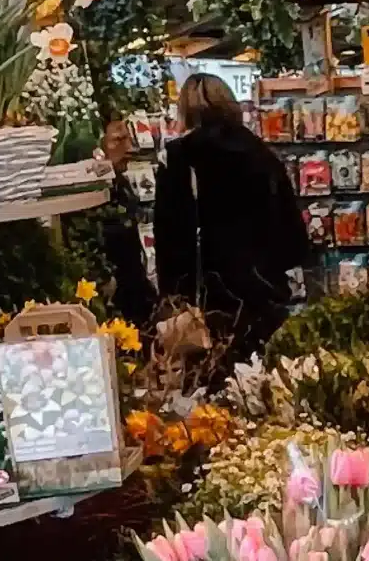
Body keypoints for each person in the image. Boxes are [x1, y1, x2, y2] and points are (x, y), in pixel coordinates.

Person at [153, 73, 311, 365]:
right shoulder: (261, 153)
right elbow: (291, 232)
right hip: (263, 286)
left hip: (208, 295)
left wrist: (171, 294)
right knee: (266, 375)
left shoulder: (179, 158)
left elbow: (169, 234)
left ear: (185, 110)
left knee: (211, 378)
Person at [97, 115, 155, 331]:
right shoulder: (98, 194)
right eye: (118, 140)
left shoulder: (120, 183)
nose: (129, 148)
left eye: (129, 139)